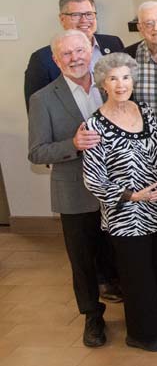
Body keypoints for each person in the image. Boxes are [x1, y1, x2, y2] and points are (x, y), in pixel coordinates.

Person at [81, 52, 157, 352]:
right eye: (113, 79)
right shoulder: (94, 127)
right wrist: (133, 195)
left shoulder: (145, 109)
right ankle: (143, 333)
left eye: (126, 77)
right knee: (138, 275)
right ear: (103, 84)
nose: (121, 84)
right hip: (126, 215)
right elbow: (94, 179)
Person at [27, 30, 122, 347]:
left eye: (80, 51)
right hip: (75, 193)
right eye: (66, 54)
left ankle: (137, 309)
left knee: (121, 254)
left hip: (118, 191)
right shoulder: (42, 99)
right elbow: (37, 152)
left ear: (91, 52)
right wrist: (73, 144)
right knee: (82, 262)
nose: (75, 58)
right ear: (56, 60)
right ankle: (93, 317)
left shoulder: (112, 86)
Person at [24, 0, 125, 108]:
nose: (84, 20)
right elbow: (37, 109)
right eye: (76, 15)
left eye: (89, 14)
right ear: (62, 19)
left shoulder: (113, 43)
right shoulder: (42, 59)